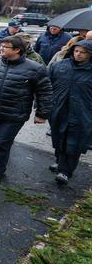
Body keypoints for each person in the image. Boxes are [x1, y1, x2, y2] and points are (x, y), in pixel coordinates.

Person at [0, 35, 52, 194]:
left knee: (0, 145)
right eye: (1, 45)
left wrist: (42, 113)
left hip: (15, 115)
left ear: (17, 50)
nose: (1, 48)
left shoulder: (34, 68)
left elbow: (45, 91)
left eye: (5, 46)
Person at [47, 40, 92, 185]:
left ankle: (65, 171)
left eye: (83, 52)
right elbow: (47, 86)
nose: (78, 54)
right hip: (59, 109)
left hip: (82, 113)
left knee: (75, 142)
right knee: (59, 137)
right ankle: (59, 161)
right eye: (76, 51)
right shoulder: (60, 66)